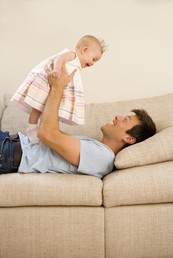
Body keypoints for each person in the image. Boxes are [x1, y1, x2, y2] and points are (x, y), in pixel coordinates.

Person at [0, 65, 156, 178]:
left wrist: (58, 88)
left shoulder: (102, 157)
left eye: (125, 120)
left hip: (7, 152)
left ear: (129, 138)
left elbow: (46, 134)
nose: (117, 117)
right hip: (8, 144)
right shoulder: (96, 147)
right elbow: (53, 133)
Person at [11, 35, 106, 144]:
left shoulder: (76, 66)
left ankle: (40, 131)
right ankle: (32, 129)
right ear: (84, 50)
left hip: (54, 90)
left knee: (46, 112)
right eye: (94, 59)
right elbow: (59, 59)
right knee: (37, 109)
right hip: (48, 84)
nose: (93, 64)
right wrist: (56, 69)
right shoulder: (73, 55)